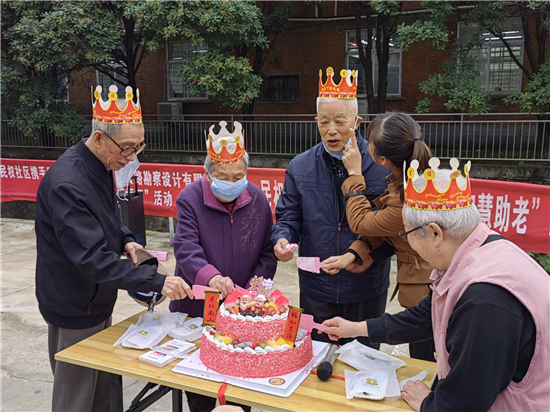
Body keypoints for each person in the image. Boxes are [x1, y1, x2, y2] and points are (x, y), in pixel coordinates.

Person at [323, 161, 550, 412]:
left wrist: (427, 403)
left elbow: (464, 402)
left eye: (406, 234)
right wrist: (354, 328)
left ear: (435, 233)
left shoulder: (485, 300)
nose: (407, 244)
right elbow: (425, 316)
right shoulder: (485, 247)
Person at [35, 85, 192, 412]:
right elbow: (93, 260)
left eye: (139, 146)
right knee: (75, 398)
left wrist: (126, 240)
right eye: (128, 148)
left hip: (96, 299)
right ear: (98, 139)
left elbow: (105, 219)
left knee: (103, 392)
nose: (132, 156)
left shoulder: (102, 165)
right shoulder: (68, 183)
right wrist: (158, 282)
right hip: (73, 305)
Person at [271, 68, 394, 349]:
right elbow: (289, 215)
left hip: (366, 284)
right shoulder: (300, 166)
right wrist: (282, 238)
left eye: (340, 121)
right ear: (316, 122)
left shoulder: (381, 165)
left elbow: (390, 229)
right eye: (324, 122)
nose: (332, 130)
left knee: (363, 364)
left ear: (357, 122)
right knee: (317, 363)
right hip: (317, 286)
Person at [171, 120, 277, 412]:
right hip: (197, 310)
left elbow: (267, 252)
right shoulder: (190, 198)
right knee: (202, 389)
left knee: (240, 388)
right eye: (223, 176)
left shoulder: (256, 198)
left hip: (242, 311)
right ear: (208, 173)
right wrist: (212, 278)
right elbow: (185, 248)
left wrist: (254, 291)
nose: (231, 182)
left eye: (238, 175)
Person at [322, 112, 436, 362]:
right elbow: (389, 233)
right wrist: (355, 254)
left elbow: (362, 222)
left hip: (428, 287)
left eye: (370, 142)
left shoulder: (407, 199)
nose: (332, 130)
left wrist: (353, 173)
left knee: (428, 360)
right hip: (424, 282)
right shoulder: (413, 180)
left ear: (382, 158)